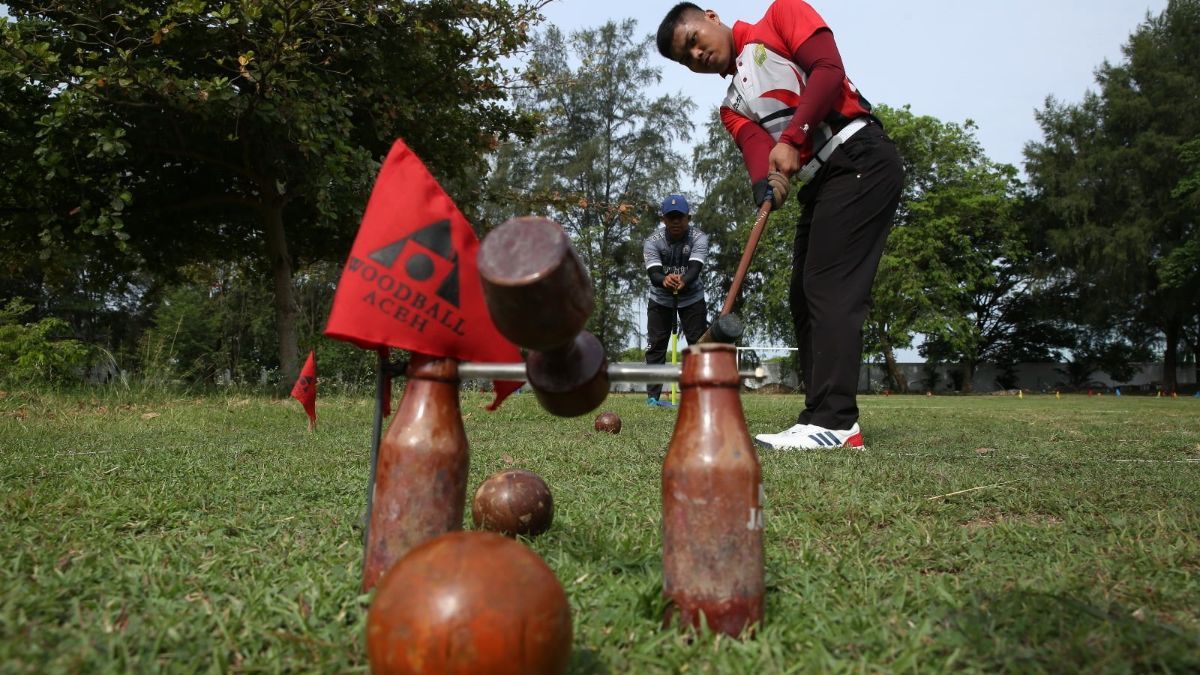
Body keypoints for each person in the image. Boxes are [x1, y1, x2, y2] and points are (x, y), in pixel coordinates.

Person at [656, 1, 904, 448]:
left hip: (859, 156)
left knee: (827, 286)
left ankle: (835, 422)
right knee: (802, 295)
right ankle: (820, 416)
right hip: (823, 182)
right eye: (685, 58)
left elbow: (828, 70)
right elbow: (757, 153)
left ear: (711, 17)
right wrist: (765, 188)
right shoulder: (731, 107)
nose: (696, 55)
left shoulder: (781, 15)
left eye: (694, 41)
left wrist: (792, 139)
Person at [643, 194, 710, 407]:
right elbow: (653, 274)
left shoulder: (699, 238)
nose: (675, 221)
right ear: (663, 219)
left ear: (688, 218)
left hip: (692, 298)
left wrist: (682, 280)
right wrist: (665, 280)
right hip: (661, 299)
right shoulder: (652, 242)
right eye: (670, 217)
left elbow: (694, 269)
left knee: (699, 346)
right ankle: (653, 397)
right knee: (656, 346)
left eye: (679, 217)